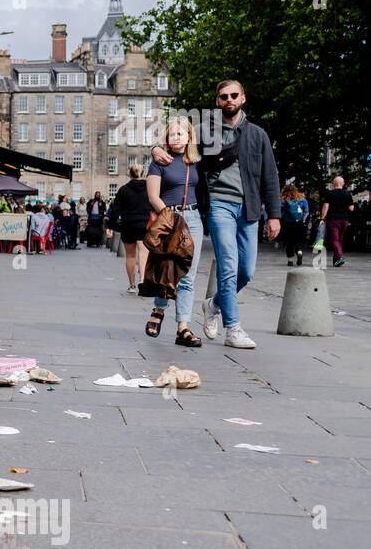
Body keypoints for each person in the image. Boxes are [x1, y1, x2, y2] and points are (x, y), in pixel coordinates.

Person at [152, 79, 281, 349]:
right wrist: (154, 149)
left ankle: (213, 304)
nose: (229, 100)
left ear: (243, 98)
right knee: (229, 266)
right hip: (218, 205)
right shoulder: (204, 132)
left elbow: (270, 176)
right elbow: (176, 139)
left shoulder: (258, 135)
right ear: (217, 101)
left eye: (234, 95)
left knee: (246, 271)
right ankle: (232, 328)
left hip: (249, 208)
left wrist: (274, 215)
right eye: (224, 96)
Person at [144, 118, 205, 346]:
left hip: (194, 219)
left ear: (189, 136)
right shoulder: (160, 162)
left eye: (181, 133)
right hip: (169, 218)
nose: (176, 137)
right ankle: (159, 310)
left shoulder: (196, 161)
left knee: (187, 275)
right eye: (172, 134)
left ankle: (183, 327)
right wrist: (170, 217)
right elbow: (152, 196)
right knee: (167, 271)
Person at [107, 164, 153, 293]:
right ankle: (143, 281)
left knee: (130, 256)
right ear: (143, 174)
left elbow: (115, 210)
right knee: (144, 253)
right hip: (144, 224)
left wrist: (111, 226)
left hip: (128, 225)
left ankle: (132, 285)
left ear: (130, 174)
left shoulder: (123, 190)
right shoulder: (149, 189)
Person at [319, 175, 354, 267]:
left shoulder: (330, 193)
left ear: (334, 184)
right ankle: (336, 261)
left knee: (334, 240)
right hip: (344, 220)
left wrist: (322, 218)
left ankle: (340, 257)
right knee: (339, 240)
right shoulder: (348, 194)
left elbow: (326, 206)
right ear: (343, 183)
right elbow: (351, 208)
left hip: (332, 219)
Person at [279, 183, 310, 266]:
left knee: (289, 241)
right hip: (299, 223)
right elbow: (306, 212)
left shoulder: (283, 200)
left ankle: (290, 260)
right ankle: (299, 251)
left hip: (287, 223)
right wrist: (303, 220)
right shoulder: (302, 199)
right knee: (299, 240)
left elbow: (280, 212)